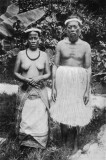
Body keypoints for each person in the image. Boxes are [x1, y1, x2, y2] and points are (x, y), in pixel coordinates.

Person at [50, 16, 93, 154]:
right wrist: (53, 87)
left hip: (78, 81)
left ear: (80, 29)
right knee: (63, 109)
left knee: (76, 111)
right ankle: (63, 143)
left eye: (75, 27)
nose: (73, 30)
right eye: (70, 27)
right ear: (66, 30)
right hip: (63, 80)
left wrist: (87, 90)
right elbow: (55, 66)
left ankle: (74, 145)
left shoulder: (85, 46)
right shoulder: (60, 45)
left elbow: (88, 68)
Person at [14, 27, 51, 149]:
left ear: (39, 39)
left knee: (40, 116)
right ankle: (24, 141)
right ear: (27, 40)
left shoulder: (44, 55)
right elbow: (15, 72)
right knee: (26, 116)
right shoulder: (21, 54)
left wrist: (39, 78)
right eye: (31, 38)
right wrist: (25, 79)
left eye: (36, 38)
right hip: (25, 90)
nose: (33, 40)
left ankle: (39, 143)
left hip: (40, 91)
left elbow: (48, 73)